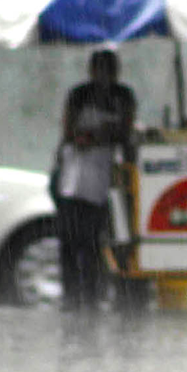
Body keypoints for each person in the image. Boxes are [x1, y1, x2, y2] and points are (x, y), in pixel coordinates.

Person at [54, 50, 135, 311]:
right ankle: (71, 294)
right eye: (98, 70)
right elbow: (69, 131)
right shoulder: (79, 94)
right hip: (73, 175)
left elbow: (124, 130)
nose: (102, 77)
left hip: (102, 176)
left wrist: (98, 136)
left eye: (108, 71)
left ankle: (91, 293)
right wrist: (86, 137)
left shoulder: (122, 96)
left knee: (92, 239)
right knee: (70, 239)